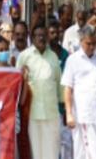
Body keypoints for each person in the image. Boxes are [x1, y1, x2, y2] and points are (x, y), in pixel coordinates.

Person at [61, 24, 96, 159]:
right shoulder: (73, 60)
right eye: (88, 43)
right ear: (81, 41)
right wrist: (69, 114)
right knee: (82, 154)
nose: (92, 47)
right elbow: (68, 88)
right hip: (81, 116)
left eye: (94, 43)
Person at [16, 25, 62, 159]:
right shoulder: (24, 56)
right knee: (36, 153)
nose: (41, 38)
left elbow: (59, 84)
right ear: (32, 38)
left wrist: (63, 108)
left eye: (43, 35)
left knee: (52, 153)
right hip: (32, 114)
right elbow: (17, 84)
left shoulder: (53, 57)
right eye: (38, 35)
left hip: (51, 113)